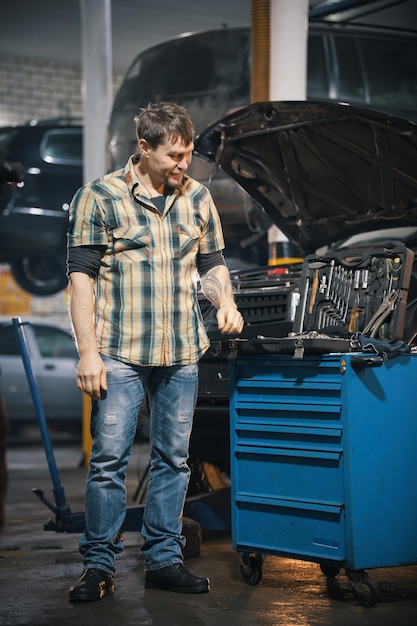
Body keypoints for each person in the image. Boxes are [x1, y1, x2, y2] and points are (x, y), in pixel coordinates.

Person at [66, 102, 244, 602]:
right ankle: (99, 566)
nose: (184, 163)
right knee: (108, 461)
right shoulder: (99, 197)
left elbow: (212, 266)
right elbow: (80, 280)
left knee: (175, 460)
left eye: (188, 154)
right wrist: (87, 353)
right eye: (175, 154)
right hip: (118, 350)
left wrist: (224, 301)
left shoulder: (198, 198)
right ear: (144, 148)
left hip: (181, 350)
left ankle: (163, 559)